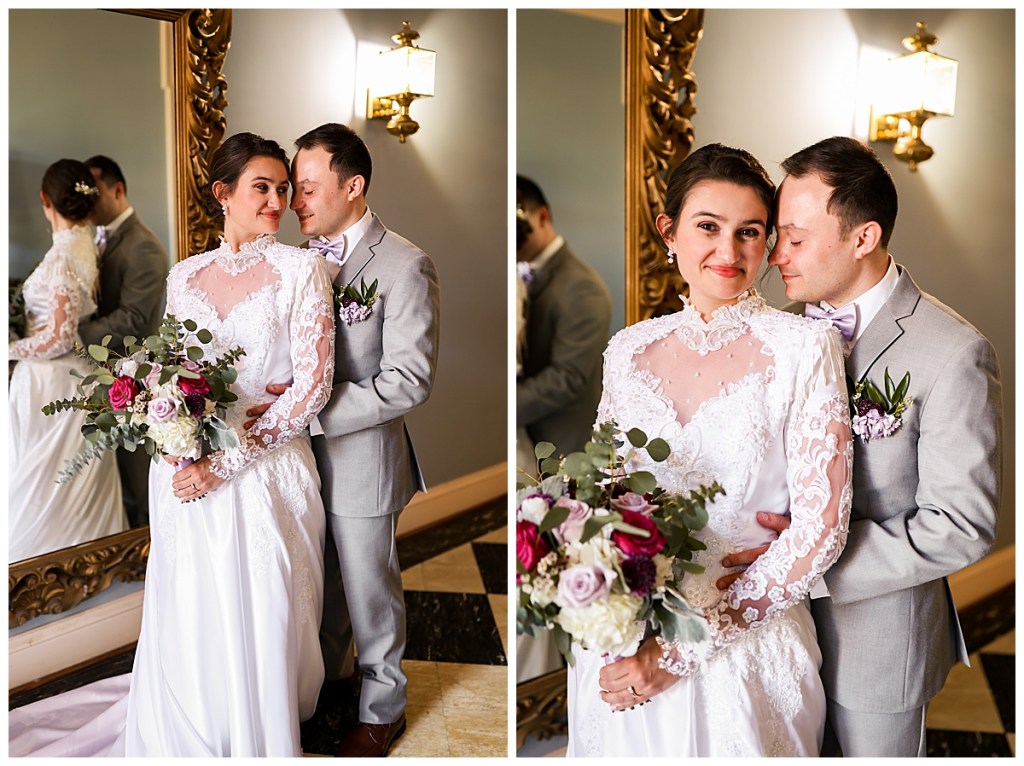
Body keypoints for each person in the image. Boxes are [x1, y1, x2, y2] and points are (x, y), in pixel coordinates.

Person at [9, 132, 336, 756]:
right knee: (191, 606)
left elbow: (312, 388)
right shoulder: (185, 275)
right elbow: (169, 367)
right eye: (262, 188)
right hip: (184, 466)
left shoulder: (302, 270)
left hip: (263, 469)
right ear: (223, 194)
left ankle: (257, 727)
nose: (277, 202)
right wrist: (164, 428)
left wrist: (226, 462)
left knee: (266, 609)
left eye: (283, 189)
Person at [567, 144, 853, 757]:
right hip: (627, 631)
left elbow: (821, 530)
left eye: (749, 231)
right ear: (668, 232)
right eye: (708, 227)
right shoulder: (627, 350)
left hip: (747, 644)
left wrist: (679, 650)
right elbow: (601, 494)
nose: (728, 251)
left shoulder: (805, 348)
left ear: (768, 242)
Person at [720, 136, 1002, 757]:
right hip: (771, 639)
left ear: (864, 237)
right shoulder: (778, 330)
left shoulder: (954, 352)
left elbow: (961, 526)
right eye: (778, 236)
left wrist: (808, 561)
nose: (776, 256)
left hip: (876, 647)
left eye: (795, 239)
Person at [245, 122, 440, 757]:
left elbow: (408, 381)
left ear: (353, 187)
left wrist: (307, 412)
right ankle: (325, 686)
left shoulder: (404, 264)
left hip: (362, 463)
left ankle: (383, 708)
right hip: (295, 462)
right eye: (291, 189)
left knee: (367, 592)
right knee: (316, 584)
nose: (292, 202)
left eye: (306, 188)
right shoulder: (295, 261)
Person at [8, 159, 126, 562]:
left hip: (52, 384)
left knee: (44, 482)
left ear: (45, 200)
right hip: (73, 377)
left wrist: (10, 349)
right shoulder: (85, 243)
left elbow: (60, 336)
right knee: (61, 480)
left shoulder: (63, 255)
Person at [79, 154, 170, 528]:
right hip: (104, 379)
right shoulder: (94, 239)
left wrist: (72, 336)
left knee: (139, 482)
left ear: (117, 189)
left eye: (93, 192)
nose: (86, 202)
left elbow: (134, 318)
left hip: (133, 382)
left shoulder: (142, 245)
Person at [516, 175, 612, 456]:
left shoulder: (582, 287)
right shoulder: (517, 272)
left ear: (542, 216)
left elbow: (567, 377)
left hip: (561, 443)